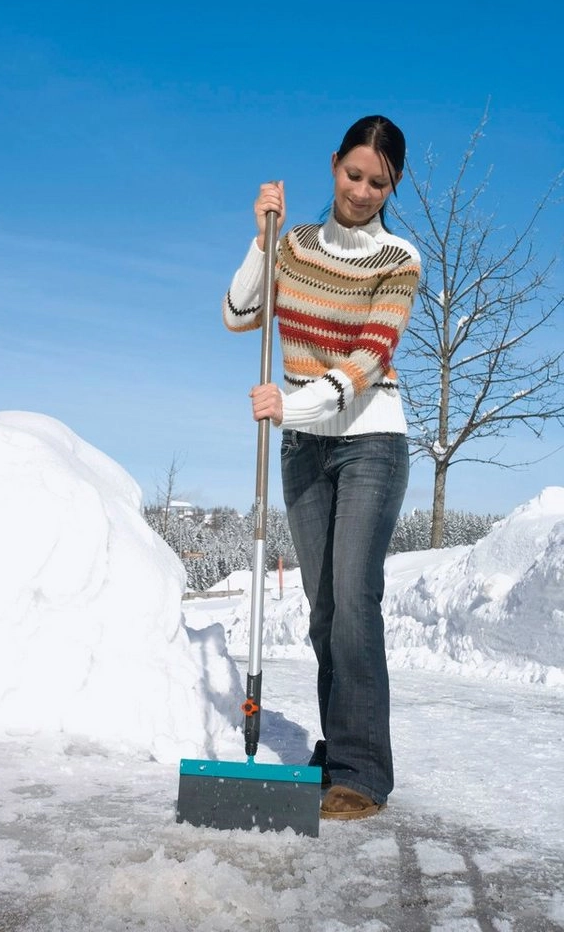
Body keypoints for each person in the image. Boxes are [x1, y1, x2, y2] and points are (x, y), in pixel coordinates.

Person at [223, 115, 421, 820]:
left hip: (370, 440)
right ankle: (339, 749)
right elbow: (240, 312)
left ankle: (363, 775)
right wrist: (263, 238)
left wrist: (295, 404)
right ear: (334, 164)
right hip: (303, 447)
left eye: (379, 182)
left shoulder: (398, 259)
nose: (362, 191)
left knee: (353, 602)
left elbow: (371, 360)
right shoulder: (297, 246)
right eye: (353, 174)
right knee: (323, 611)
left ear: (391, 185)